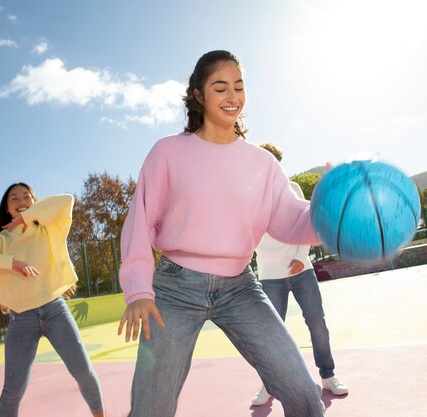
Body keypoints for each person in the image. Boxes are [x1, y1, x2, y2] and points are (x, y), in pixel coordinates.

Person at [117, 50, 326, 417]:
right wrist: (138, 289)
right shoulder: (168, 152)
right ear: (198, 95)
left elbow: (293, 220)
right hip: (174, 290)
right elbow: (139, 221)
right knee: (150, 409)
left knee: (304, 393)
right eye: (220, 87)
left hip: (240, 288)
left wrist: (332, 209)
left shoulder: (262, 163)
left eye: (239, 87)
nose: (233, 97)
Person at [0, 183, 105, 417]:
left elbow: (66, 200)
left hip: (55, 310)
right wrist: (9, 262)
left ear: (35, 202)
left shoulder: (47, 228)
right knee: (13, 391)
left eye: (27, 196)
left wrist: (29, 217)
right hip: (22, 319)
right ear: (7, 208)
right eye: (14, 198)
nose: (21, 201)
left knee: (83, 372)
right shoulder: (1, 240)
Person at [250, 143, 348, 406]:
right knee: (271, 334)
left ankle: (328, 376)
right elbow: (251, 238)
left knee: (317, 324)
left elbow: (307, 221)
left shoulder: (292, 188)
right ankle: (269, 385)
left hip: (301, 271)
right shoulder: (249, 197)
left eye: (276, 161)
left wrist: (299, 257)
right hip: (270, 277)